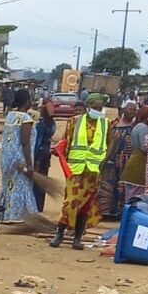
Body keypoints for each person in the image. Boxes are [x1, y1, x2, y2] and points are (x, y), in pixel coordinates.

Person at [50, 93, 109, 250]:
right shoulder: (74, 122)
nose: (97, 110)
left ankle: (77, 238)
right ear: (88, 107)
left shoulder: (105, 124)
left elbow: (107, 145)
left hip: (93, 171)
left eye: (99, 108)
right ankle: (59, 234)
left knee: (85, 205)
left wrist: (102, 164)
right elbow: (65, 141)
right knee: (70, 202)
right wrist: (59, 152)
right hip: (75, 170)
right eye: (94, 107)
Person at [0, 88, 37, 222]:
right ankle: (18, 216)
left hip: (6, 158)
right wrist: (30, 165)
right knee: (22, 186)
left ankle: (5, 214)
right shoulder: (25, 118)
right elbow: (25, 142)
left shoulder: (10, 115)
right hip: (20, 159)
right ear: (27, 101)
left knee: (8, 185)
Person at [97, 101, 137, 219]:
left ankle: (119, 213)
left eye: (134, 110)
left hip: (127, 162)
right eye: (130, 109)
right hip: (111, 160)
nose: (133, 112)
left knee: (123, 187)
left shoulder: (135, 127)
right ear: (123, 110)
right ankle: (105, 211)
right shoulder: (113, 125)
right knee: (107, 185)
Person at [121, 104, 148, 204]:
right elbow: (145, 147)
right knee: (137, 197)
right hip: (139, 165)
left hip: (134, 162)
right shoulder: (144, 128)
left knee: (130, 195)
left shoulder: (137, 126)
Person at [33, 97, 56, 211]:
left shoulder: (41, 125)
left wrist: (36, 160)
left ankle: (35, 206)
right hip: (47, 155)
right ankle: (39, 206)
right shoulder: (52, 124)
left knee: (36, 183)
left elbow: (38, 143)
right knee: (42, 182)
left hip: (40, 155)